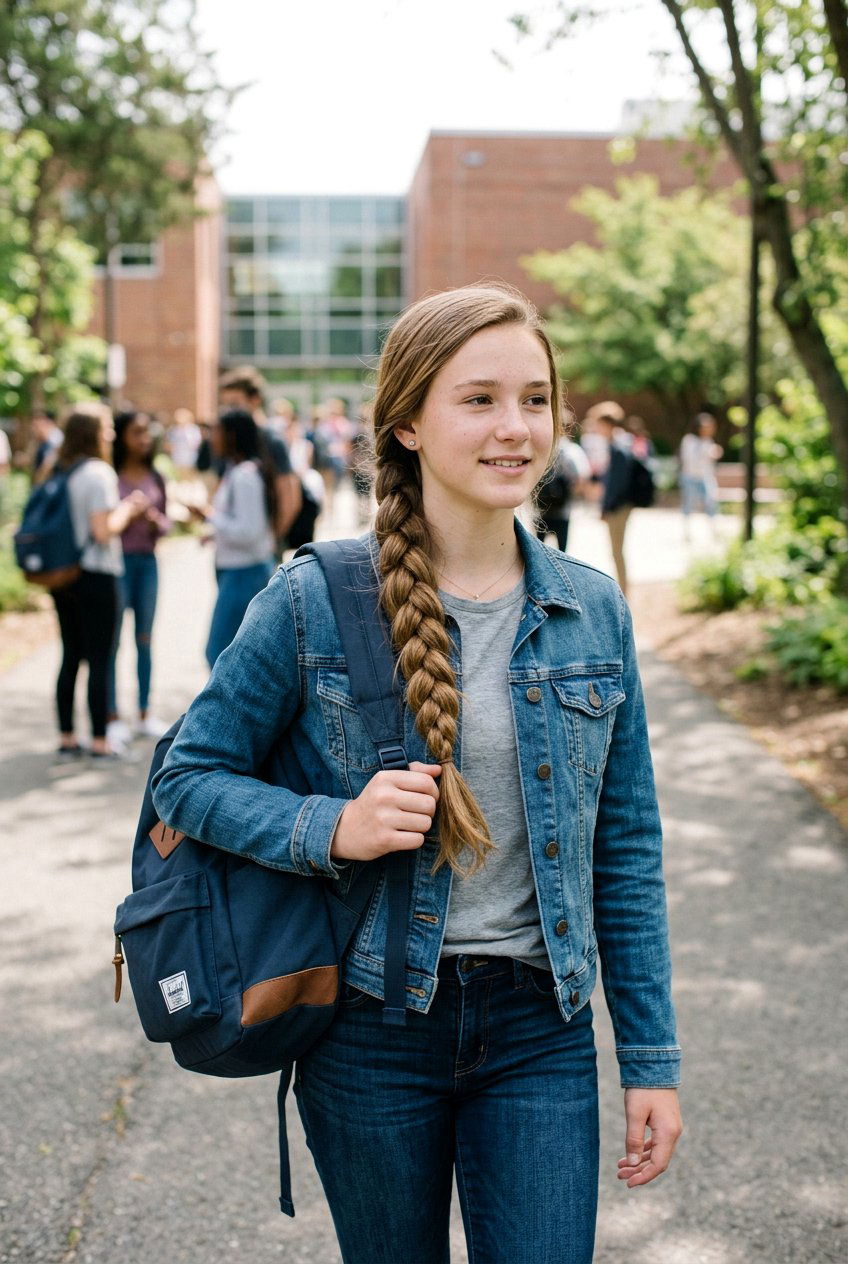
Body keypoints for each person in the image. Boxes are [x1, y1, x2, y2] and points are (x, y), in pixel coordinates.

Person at [153, 284, 682, 1263]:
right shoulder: (314, 599)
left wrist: (649, 1059)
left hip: (540, 1032)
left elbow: (625, 844)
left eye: (534, 398)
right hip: (368, 1030)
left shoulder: (590, 610)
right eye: (478, 399)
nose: (515, 427)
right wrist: (330, 826)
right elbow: (187, 777)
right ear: (406, 421)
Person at [50, 403, 150, 761]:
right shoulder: (98, 473)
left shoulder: (58, 470)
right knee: (100, 657)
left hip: (63, 574)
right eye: (106, 428)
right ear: (93, 433)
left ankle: (65, 736)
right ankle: (98, 740)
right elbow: (103, 530)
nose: (110, 434)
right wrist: (128, 509)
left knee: (70, 655)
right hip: (97, 573)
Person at [190, 409, 276, 668]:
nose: (211, 438)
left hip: (244, 573)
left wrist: (209, 516)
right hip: (238, 571)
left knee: (218, 652)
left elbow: (249, 532)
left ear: (232, 436)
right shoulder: (236, 471)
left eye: (216, 431)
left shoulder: (244, 476)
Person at [107, 410, 171, 742]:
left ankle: (145, 713)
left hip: (147, 564)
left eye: (147, 432)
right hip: (117, 565)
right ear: (122, 436)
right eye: (136, 432)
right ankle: (112, 715)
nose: (144, 439)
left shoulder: (156, 476)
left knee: (144, 640)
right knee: (113, 642)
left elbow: (167, 525)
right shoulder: (110, 475)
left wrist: (151, 519)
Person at [219, 366, 301, 544]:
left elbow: (290, 497)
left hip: (261, 551)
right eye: (225, 405)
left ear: (254, 400)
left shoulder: (271, 440)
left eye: (234, 403)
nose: (229, 411)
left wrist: (271, 541)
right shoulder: (231, 440)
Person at [591, 405, 637, 595]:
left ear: (608, 425)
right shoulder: (619, 444)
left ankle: (623, 592)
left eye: (599, 425)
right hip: (621, 504)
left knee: (617, 550)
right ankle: (623, 589)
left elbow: (617, 483)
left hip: (619, 506)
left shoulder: (618, 447)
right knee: (616, 549)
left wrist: (606, 507)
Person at [534, 426, 590, 552]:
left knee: (538, 550)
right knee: (562, 551)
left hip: (542, 508)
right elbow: (581, 478)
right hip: (563, 509)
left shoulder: (542, 448)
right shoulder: (572, 451)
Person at [679, 412, 723, 538]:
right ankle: (687, 532)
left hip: (705, 477)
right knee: (688, 504)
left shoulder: (708, 441)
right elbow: (689, 458)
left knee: (710, 502)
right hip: (690, 476)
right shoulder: (689, 440)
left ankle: (714, 530)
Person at [164, 407, 202, 478]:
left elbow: (196, 443)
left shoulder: (193, 429)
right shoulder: (173, 430)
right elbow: (169, 443)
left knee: (190, 475)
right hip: (177, 457)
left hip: (190, 456)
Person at [31, 409, 63, 482]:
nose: (33, 429)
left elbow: (48, 463)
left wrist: (39, 481)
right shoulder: (44, 440)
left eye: (36, 426)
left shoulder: (55, 439)